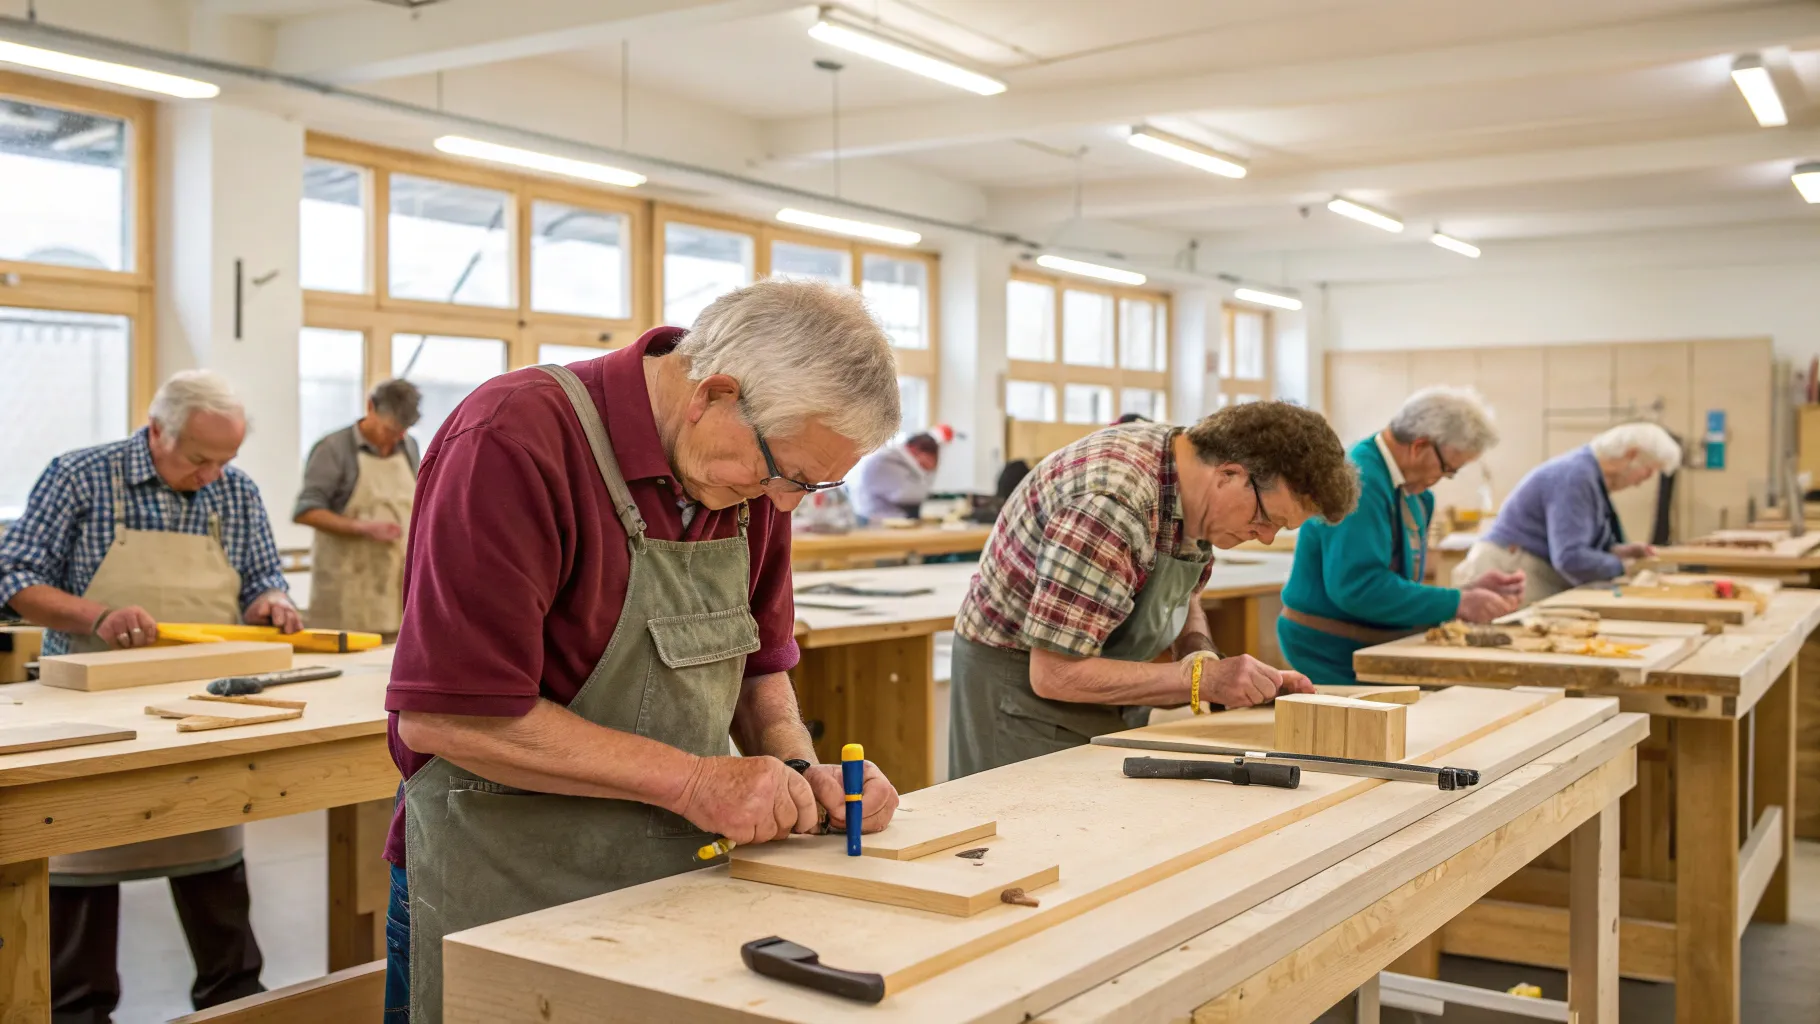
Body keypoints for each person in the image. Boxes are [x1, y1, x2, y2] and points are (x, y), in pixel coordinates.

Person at [383, 279, 906, 1024]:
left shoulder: (747, 483)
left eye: (813, 487)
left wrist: (798, 772)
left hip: (672, 883)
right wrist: (697, 782)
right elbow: (447, 720)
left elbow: (759, 665)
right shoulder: (511, 439)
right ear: (713, 394)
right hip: (507, 888)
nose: (784, 504)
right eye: (785, 474)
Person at [0, 370, 299, 1021]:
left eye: (227, 460)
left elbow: (262, 576)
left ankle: (233, 1004)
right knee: (82, 873)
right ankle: (80, 1009)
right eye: (199, 458)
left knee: (215, 874)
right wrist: (95, 615)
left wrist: (272, 601)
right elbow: (15, 576)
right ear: (156, 430)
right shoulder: (79, 476)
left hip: (200, 712)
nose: (213, 475)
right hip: (89, 710)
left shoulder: (235, 491)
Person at [948, 403, 1360, 777]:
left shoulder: (1190, 479)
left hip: (1091, 680)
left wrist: (1199, 656)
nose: (1267, 537)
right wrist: (1201, 680)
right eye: (1265, 518)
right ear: (1230, 474)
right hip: (1018, 695)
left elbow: (1184, 594)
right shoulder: (1113, 502)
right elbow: (1054, 673)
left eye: (1281, 528)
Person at [1278, 386, 1524, 685]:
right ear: (1419, 446)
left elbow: (1394, 585)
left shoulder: (1416, 493)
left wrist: (1468, 592)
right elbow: (1358, 587)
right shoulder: (1361, 480)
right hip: (1331, 649)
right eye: (1447, 469)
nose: (1442, 479)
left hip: (1374, 641)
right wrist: (1456, 602)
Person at [1457, 422, 1682, 604]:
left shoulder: (1590, 477)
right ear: (1631, 455)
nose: (1643, 481)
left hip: (1526, 568)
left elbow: (1577, 542)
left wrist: (1620, 551)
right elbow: (1569, 557)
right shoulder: (1575, 477)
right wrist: (1622, 566)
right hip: (1506, 568)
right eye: (1648, 470)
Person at [293, 379, 423, 634]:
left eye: (403, 430)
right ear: (370, 407)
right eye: (390, 428)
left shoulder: (409, 447)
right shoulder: (332, 449)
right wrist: (363, 528)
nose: (396, 437)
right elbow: (306, 511)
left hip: (393, 589)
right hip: (347, 591)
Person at [849, 431, 939, 523]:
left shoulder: (898, 460)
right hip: (876, 521)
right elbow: (908, 495)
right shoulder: (886, 460)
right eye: (931, 458)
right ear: (915, 449)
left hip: (889, 519)